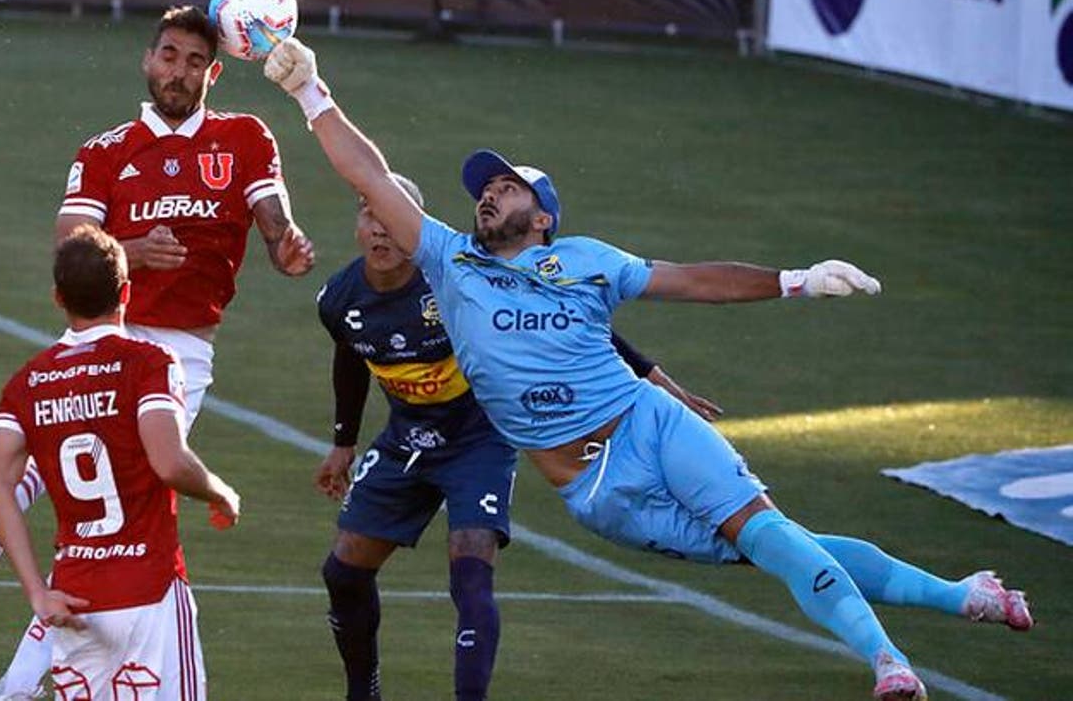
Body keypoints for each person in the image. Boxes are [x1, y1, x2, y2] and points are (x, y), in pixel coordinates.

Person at [263, 37, 1034, 701]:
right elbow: (368, 172)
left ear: (545, 216)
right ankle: (966, 596)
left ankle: (889, 664)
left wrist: (796, 279)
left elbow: (694, 279)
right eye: (485, 189)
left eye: (506, 188)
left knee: (768, 536)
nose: (489, 195)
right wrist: (308, 89)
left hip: (649, 424)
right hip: (596, 495)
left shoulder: (588, 260)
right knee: (784, 543)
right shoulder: (448, 258)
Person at [0, 5, 313, 698]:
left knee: (103, 528)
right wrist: (134, 254)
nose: (177, 71)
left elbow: (275, 222)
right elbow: (71, 247)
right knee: (22, 478)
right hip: (97, 334)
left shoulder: (244, 137)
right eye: (168, 55)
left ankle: (14, 686)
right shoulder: (105, 150)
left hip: (177, 356)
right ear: (147, 60)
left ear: (214, 71)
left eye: (192, 61)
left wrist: (289, 244)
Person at [315, 174, 720, 701]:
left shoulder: (457, 275)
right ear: (359, 224)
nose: (381, 230)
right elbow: (351, 353)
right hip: (409, 437)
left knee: (470, 569)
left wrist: (653, 375)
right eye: (371, 216)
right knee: (343, 570)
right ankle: (361, 693)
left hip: (481, 434)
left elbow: (568, 316)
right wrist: (344, 440)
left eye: (391, 218)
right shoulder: (339, 297)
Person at [0, 225, 240, 699]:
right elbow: (169, 462)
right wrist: (220, 492)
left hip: (75, 596)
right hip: (151, 592)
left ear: (58, 298)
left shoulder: (27, 383)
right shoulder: (150, 362)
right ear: (126, 290)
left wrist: (38, 591)